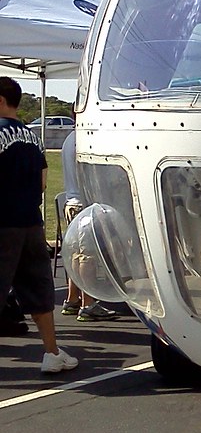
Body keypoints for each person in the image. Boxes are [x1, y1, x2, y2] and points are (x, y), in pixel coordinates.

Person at [0, 77, 79, 373]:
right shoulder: (33, 137)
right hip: (31, 223)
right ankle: (51, 351)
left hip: (3, 222)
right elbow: (43, 182)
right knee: (39, 289)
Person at [60, 127, 117, 321]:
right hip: (86, 204)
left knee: (76, 254)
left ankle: (72, 299)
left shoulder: (70, 138)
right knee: (88, 256)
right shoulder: (86, 137)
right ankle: (88, 303)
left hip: (72, 202)